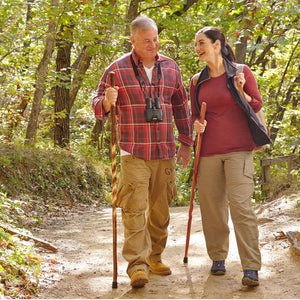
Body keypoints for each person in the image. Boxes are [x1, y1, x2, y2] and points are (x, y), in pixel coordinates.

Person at [92, 16, 193, 288]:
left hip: (164, 150)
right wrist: (105, 102)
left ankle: (155, 256)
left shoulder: (171, 67)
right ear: (133, 40)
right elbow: (96, 104)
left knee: (160, 210)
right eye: (147, 40)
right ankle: (137, 265)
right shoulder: (117, 69)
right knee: (134, 208)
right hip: (133, 150)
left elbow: (182, 106)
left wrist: (186, 143)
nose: (153, 44)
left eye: (156, 38)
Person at [190, 26, 270, 287]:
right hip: (208, 152)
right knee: (212, 209)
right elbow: (193, 114)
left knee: (241, 206)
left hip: (239, 149)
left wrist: (241, 90)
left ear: (217, 44)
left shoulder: (241, 71)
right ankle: (218, 259)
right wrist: (196, 125)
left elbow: (255, 103)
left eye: (202, 43)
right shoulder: (196, 80)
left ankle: (251, 268)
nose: (198, 48)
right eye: (196, 45)